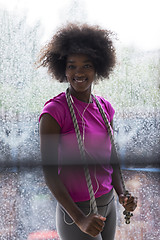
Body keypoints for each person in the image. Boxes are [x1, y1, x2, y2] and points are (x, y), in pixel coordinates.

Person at [38, 23, 137, 240]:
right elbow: (50, 174)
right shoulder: (54, 113)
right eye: (72, 66)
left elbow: (111, 158)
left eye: (87, 66)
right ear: (63, 69)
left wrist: (122, 194)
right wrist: (80, 219)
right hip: (76, 212)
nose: (79, 72)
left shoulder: (105, 108)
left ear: (97, 69)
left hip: (108, 206)